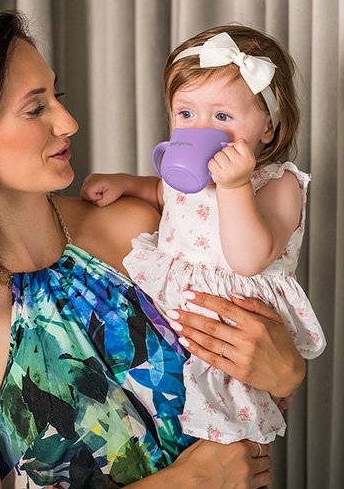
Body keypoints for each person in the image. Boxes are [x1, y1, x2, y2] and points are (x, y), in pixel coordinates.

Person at [0, 13, 305, 489]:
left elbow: (242, 390)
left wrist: (286, 372)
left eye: (59, 96)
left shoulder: (137, 233)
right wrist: (188, 482)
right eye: (36, 109)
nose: (69, 122)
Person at [81, 25, 325, 445]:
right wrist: (126, 183)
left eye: (222, 117)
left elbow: (249, 258)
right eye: (186, 114)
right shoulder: (188, 177)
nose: (198, 130)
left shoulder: (278, 184)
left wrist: (234, 186)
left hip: (230, 334)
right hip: (167, 320)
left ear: (267, 128)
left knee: (218, 431)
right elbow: (164, 193)